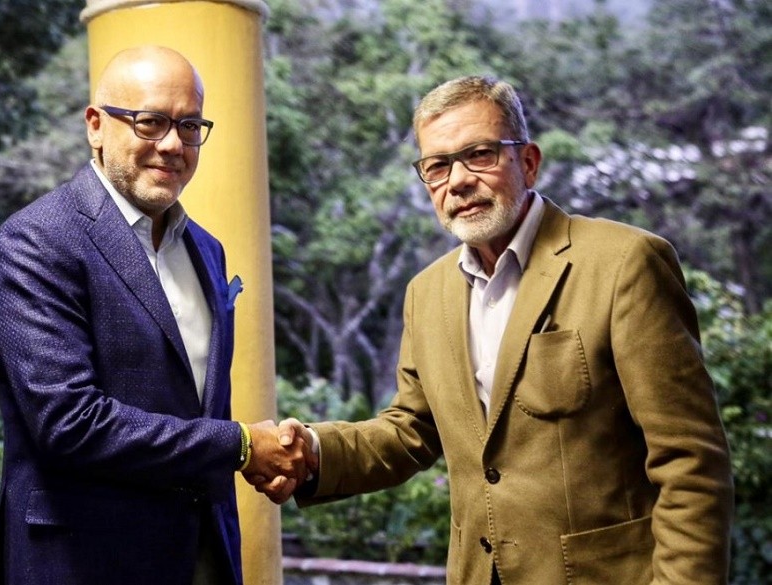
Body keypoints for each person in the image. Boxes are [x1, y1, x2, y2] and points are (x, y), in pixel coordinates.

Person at [265, 75, 734, 584]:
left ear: (528, 162)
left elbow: (691, 463)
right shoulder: (427, 293)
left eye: (479, 155)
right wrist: (311, 450)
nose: (458, 181)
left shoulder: (624, 263)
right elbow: (409, 431)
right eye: (437, 166)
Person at [0, 45, 309, 585]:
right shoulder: (35, 241)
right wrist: (241, 446)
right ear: (96, 125)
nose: (173, 144)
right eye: (150, 122)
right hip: (85, 561)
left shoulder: (206, 249)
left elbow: (199, 403)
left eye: (189, 125)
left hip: (203, 552)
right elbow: (70, 424)